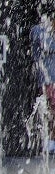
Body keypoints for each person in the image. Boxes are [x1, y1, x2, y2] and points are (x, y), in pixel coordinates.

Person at [31, 18, 55, 153]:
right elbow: (47, 46)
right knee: (51, 110)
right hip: (49, 80)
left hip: (50, 79)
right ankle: (50, 140)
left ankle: (51, 140)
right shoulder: (39, 30)